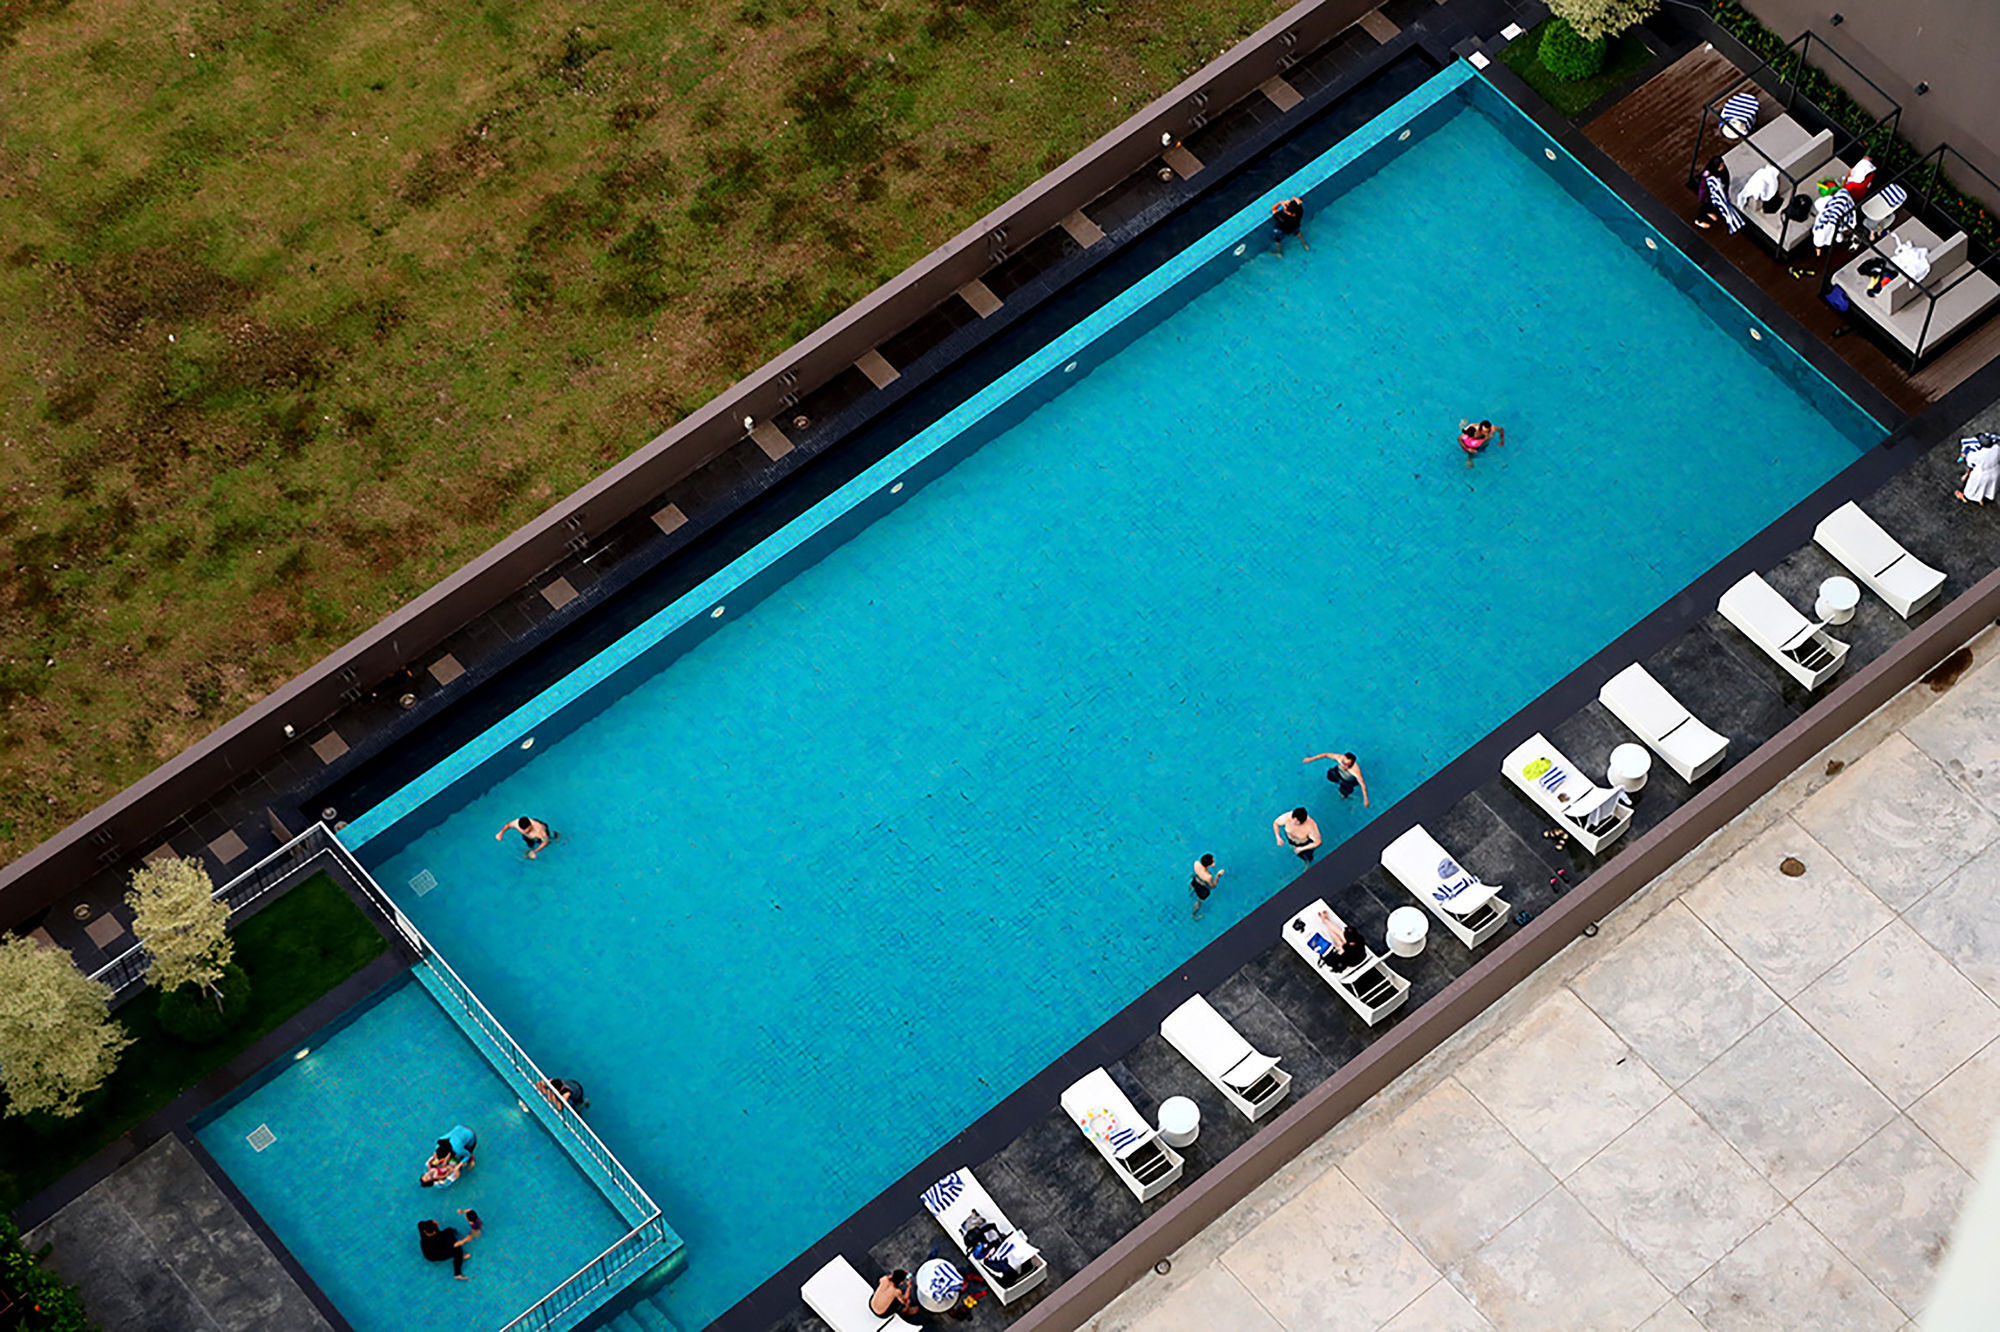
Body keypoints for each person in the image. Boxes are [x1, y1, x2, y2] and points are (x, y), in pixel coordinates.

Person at [418, 1210, 482, 1280]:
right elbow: (453, 1245)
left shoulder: (422, 1227)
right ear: (433, 1232)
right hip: (434, 1254)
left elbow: (420, 1223)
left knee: (449, 1230)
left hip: (433, 1246)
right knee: (457, 1251)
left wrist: (431, 1222)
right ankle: (457, 1273)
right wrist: (465, 1240)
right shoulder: (435, 1238)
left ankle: (455, 1233)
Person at [1302, 751, 1370, 807]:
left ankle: (1344, 795)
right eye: (1343, 762)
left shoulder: (1355, 771)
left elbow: (1362, 784)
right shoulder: (1339, 758)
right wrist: (1311, 759)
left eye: (1347, 765)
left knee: (1345, 790)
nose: (1344, 766)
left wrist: (1365, 799)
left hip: (1348, 780)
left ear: (1352, 765)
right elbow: (1326, 755)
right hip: (1338, 773)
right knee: (1330, 775)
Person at [1959, 433, 2000, 504]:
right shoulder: (1997, 448)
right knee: (1990, 487)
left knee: (1972, 489)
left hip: (1981, 474)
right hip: (1995, 471)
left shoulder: (1976, 455)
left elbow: (1970, 466)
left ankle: (1965, 498)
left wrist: (1966, 474)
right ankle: (1983, 500)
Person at [1190, 854, 1223, 920]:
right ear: (1209, 865)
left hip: (1195, 881)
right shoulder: (1208, 876)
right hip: (1202, 889)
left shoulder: (1196, 863)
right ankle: (1194, 914)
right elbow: (1213, 886)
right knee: (1199, 901)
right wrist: (1218, 875)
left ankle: (1191, 893)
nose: (1214, 864)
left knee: (1194, 888)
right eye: (1213, 862)